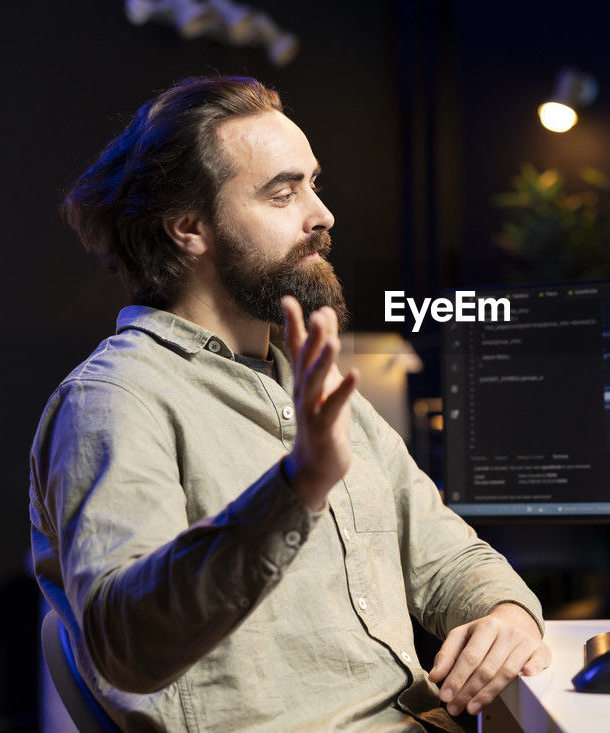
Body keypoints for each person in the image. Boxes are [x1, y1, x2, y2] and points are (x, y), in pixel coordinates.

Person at [29, 76, 549, 731]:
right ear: (190, 227)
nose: (322, 213)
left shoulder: (321, 392)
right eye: (284, 190)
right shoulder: (114, 400)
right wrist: (296, 486)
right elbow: (125, 643)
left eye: (314, 183)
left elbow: (452, 559)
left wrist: (505, 612)